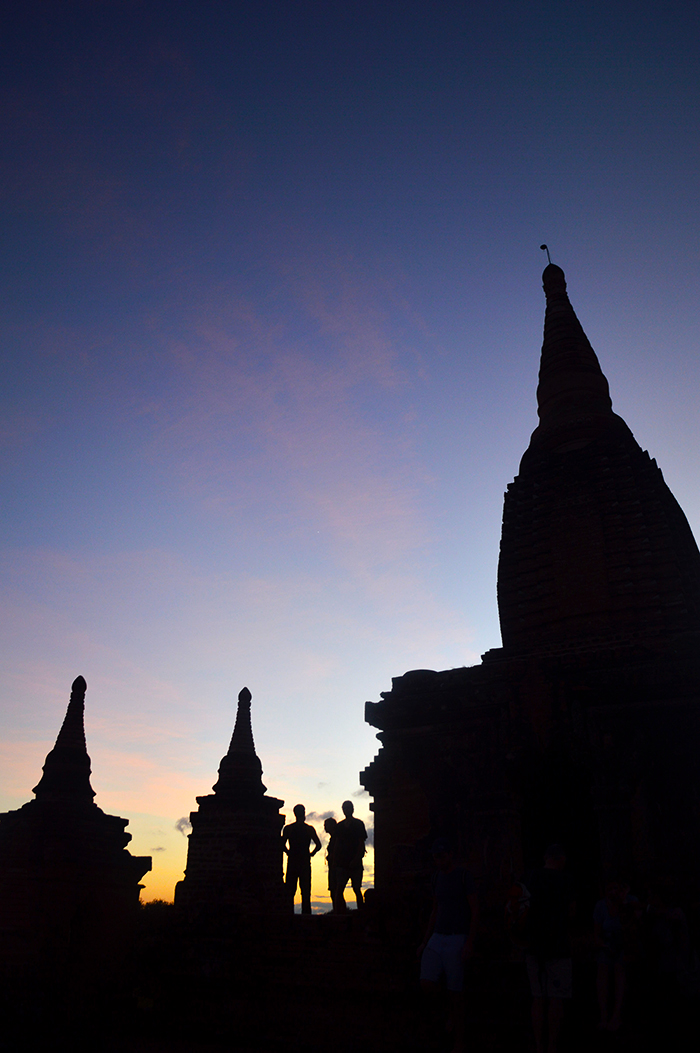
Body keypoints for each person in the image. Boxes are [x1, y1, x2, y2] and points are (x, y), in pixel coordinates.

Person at [417, 838, 478, 1053]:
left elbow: (474, 910)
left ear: (450, 855)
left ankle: (458, 1041)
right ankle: (447, 1013)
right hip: (438, 936)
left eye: (441, 855)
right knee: (426, 982)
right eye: (435, 856)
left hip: (456, 937)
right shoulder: (436, 878)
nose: (438, 859)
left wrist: (470, 941)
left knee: (456, 991)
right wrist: (425, 941)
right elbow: (435, 910)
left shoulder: (463, 876)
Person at [523, 845, 575, 1053]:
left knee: (537, 997)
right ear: (561, 858)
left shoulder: (529, 877)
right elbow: (572, 913)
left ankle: (539, 1045)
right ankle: (552, 1046)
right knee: (556, 998)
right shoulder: (566, 880)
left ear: (545, 858)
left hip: (533, 943)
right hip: (558, 943)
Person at [593, 878, 638, 1031]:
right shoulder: (600, 906)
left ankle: (616, 1015)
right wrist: (603, 944)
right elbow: (597, 932)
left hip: (625, 945)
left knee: (620, 971)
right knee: (603, 971)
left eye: (616, 888)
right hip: (607, 945)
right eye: (610, 889)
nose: (613, 892)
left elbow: (634, 925)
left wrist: (624, 900)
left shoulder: (631, 902)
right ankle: (604, 1015)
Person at [281, 804, 321, 914]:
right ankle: (305, 914)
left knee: (291, 890)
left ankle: (289, 914)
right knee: (305, 890)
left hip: (294, 861)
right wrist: (311, 853)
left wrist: (288, 852)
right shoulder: (308, 829)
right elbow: (318, 845)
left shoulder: (289, 829)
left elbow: (281, 844)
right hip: (303, 861)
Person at [334, 800, 367, 911]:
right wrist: (336, 859)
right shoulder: (339, 826)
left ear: (353, 809)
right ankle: (340, 912)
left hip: (355, 862)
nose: (347, 810)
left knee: (357, 889)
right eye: (345, 808)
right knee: (339, 889)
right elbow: (337, 844)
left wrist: (357, 858)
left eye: (349, 808)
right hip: (342, 862)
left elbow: (361, 843)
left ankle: (361, 912)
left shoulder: (358, 824)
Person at [324, 816, 339, 912]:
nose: (324, 827)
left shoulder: (336, 838)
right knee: (334, 891)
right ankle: (337, 911)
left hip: (335, 867)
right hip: (333, 867)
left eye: (326, 825)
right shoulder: (334, 837)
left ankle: (338, 911)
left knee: (336, 891)